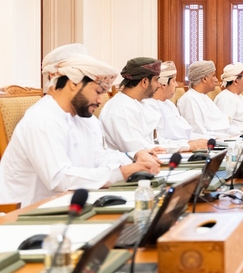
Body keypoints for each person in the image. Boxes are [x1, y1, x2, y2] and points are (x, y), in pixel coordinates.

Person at [0, 44, 160, 206]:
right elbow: (59, 178)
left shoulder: (86, 120)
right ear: (73, 83)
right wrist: (120, 173)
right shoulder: (42, 118)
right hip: (28, 212)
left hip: (70, 204)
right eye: (97, 92)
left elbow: (98, 158)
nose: (100, 100)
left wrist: (134, 157)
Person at [99, 57, 165, 153]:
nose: (159, 85)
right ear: (144, 82)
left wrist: (183, 146)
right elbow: (139, 151)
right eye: (156, 80)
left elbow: (154, 144)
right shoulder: (121, 109)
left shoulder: (137, 103)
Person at [142, 61, 208, 150]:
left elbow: (186, 134)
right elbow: (158, 143)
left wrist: (208, 140)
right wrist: (187, 145)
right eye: (174, 81)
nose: (177, 85)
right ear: (163, 84)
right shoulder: (149, 107)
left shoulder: (169, 104)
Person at [177, 60, 237, 137]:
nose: (216, 80)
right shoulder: (189, 99)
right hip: (212, 142)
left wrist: (239, 135)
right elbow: (198, 133)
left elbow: (223, 125)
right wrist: (226, 137)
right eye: (213, 76)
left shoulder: (204, 97)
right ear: (204, 79)